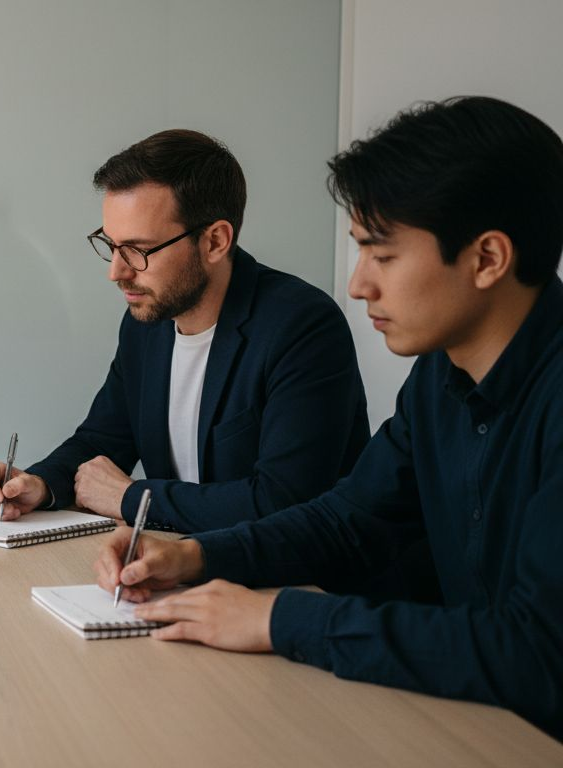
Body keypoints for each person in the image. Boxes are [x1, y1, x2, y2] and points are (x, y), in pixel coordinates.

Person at [96, 96, 563, 739]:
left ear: (487, 258)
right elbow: (351, 519)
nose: (359, 285)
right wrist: (198, 557)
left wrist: (279, 619)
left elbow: (537, 655)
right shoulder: (439, 376)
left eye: (384, 255)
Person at [0, 129, 369, 533]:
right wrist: (39, 484)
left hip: (289, 583)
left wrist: (134, 498)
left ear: (215, 241)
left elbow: (284, 501)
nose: (117, 272)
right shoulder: (146, 323)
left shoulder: (302, 326)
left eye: (139, 250)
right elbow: (103, 438)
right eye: (111, 245)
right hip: (177, 566)